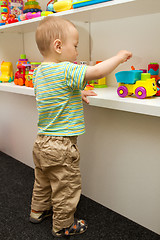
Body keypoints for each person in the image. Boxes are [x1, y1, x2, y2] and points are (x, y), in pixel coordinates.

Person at [29, 15, 132, 238]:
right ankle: (63, 225)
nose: (76, 52)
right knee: (66, 186)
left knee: (43, 180)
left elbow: (53, 95)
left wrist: (78, 92)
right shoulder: (66, 69)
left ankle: (37, 211)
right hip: (61, 147)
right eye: (75, 46)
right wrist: (118, 57)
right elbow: (97, 72)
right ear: (58, 46)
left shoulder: (38, 72)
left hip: (41, 142)